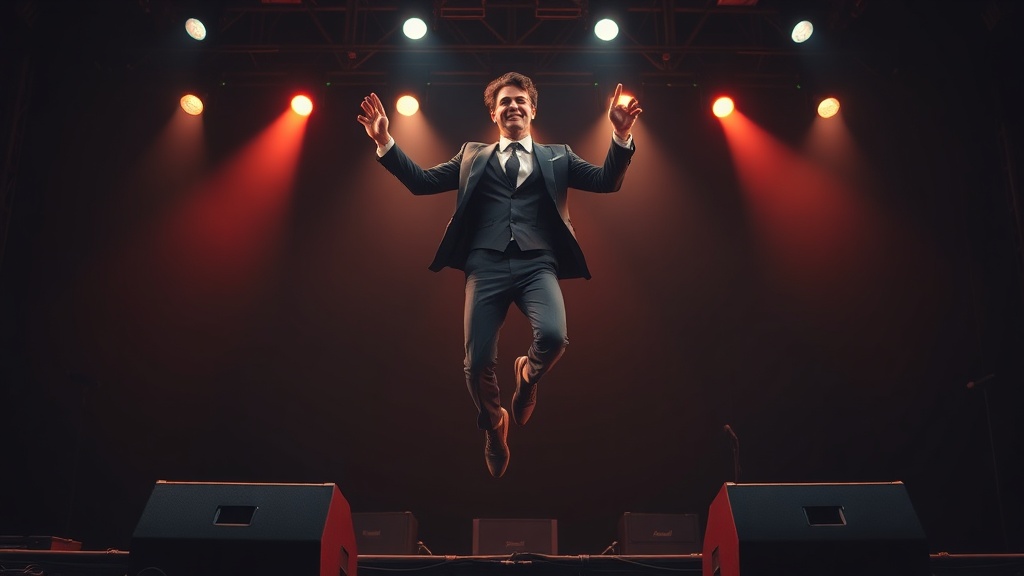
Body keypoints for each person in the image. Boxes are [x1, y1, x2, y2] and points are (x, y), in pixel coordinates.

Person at [357, 72, 641, 477]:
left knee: (554, 337)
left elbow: (606, 182)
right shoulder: (471, 154)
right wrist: (384, 140)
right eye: (505, 101)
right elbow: (421, 183)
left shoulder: (558, 155)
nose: (513, 106)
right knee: (476, 364)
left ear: (533, 109)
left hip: (537, 263)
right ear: (494, 113)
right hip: (485, 264)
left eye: (520, 100)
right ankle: (494, 425)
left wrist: (621, 135)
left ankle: (526, 377)